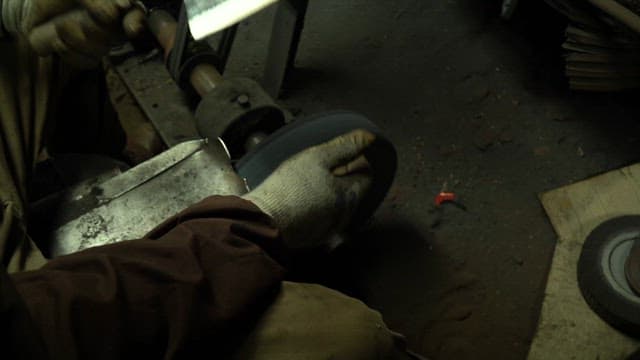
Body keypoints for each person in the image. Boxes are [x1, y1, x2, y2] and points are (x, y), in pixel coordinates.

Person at [0, 1, 421, 358]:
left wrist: (14, 9)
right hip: (44, 330)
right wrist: (258, 222)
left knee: (47, 35)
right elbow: (81, 317)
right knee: (351, 337)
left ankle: (101, 167)